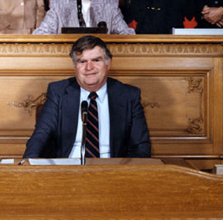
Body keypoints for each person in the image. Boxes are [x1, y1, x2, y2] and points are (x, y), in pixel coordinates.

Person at [23, 35, 151, 158]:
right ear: (75, 67)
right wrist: (27, 168)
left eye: (96, 60)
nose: (89, 67)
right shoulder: (58, 92)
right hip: (68, 169)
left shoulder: (128, 96)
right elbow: (40, 137)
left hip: (113, 169)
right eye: (82, 61)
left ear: (108, 63)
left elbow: (140, 147)